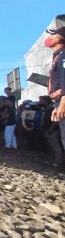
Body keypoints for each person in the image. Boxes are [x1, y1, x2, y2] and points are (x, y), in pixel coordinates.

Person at [46, 26, 65, 168]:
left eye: (52, 35)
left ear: (58, 38)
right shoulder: (58, 56)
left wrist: (63, 103)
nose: (49, 38)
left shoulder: (63, 55)